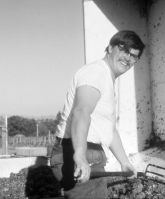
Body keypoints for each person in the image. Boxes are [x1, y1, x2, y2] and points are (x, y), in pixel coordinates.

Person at [50, 30, 145, 198]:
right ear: (110, 48)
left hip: (86, 152)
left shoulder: (105, 78)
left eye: (134, 56)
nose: (128, 58)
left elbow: (109, 129)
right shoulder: (96, 73)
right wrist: (79, 154)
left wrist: (124, 161)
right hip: (80, 151)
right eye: (124, 50)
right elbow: (81, 112)